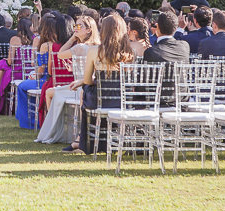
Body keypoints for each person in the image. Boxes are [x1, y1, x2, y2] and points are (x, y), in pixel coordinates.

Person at [63, 13, 135, 153]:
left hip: (100, 100)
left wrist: (84, 82)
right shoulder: (130, 52)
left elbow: (89, 80)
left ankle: (84, 142)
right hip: (122, 100)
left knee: (85, 90)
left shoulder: (95, 51)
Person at [36, 15, 100, 143]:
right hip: (89, 85)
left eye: (79, 26)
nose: (75, 28)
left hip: (80, 87)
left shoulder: (80, 47)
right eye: (74, 26)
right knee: (50, 92)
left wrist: (72, 38)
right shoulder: (97, 45)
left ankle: (53, 129)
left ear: (89, 30)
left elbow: (60, 54)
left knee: (49, 92)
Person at [15, 15, 55, 129]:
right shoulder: (61, 44)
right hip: (58, 80)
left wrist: (35, 74)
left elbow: (40, 72)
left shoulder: (45, 46)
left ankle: (30, 121)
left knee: (22, 86)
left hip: (45, 80)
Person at [143, 11, 190, 107]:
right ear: (175, 28)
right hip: (181, 100)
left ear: (158, 27)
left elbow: (146, 82)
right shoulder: (185, 46)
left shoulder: (151, 52)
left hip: (157, 101)